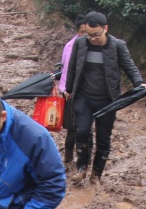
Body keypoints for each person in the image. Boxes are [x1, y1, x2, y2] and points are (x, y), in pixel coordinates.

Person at [64, 11, 146, 186]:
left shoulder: (117, 46)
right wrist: (69, 89)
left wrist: (139, 83)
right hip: (84, 97)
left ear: (105, 28)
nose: (92, 38)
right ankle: (82, 168)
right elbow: (72, 66)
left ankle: (96, 174)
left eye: (96, 35)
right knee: (82, 132)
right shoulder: (80, 43)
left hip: (107, 100)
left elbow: (129, 66)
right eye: (89, 35)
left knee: (103, 137)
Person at [57, 15, 87, 165]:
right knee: (73, 127)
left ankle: (81, 159)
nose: (85, 35)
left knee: (84, 127)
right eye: (82, 32)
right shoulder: (71, 46)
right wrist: (68, 90)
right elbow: (67, 69)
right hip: (72, 92)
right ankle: (69, 156)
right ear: (78, 31)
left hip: (87, 93)